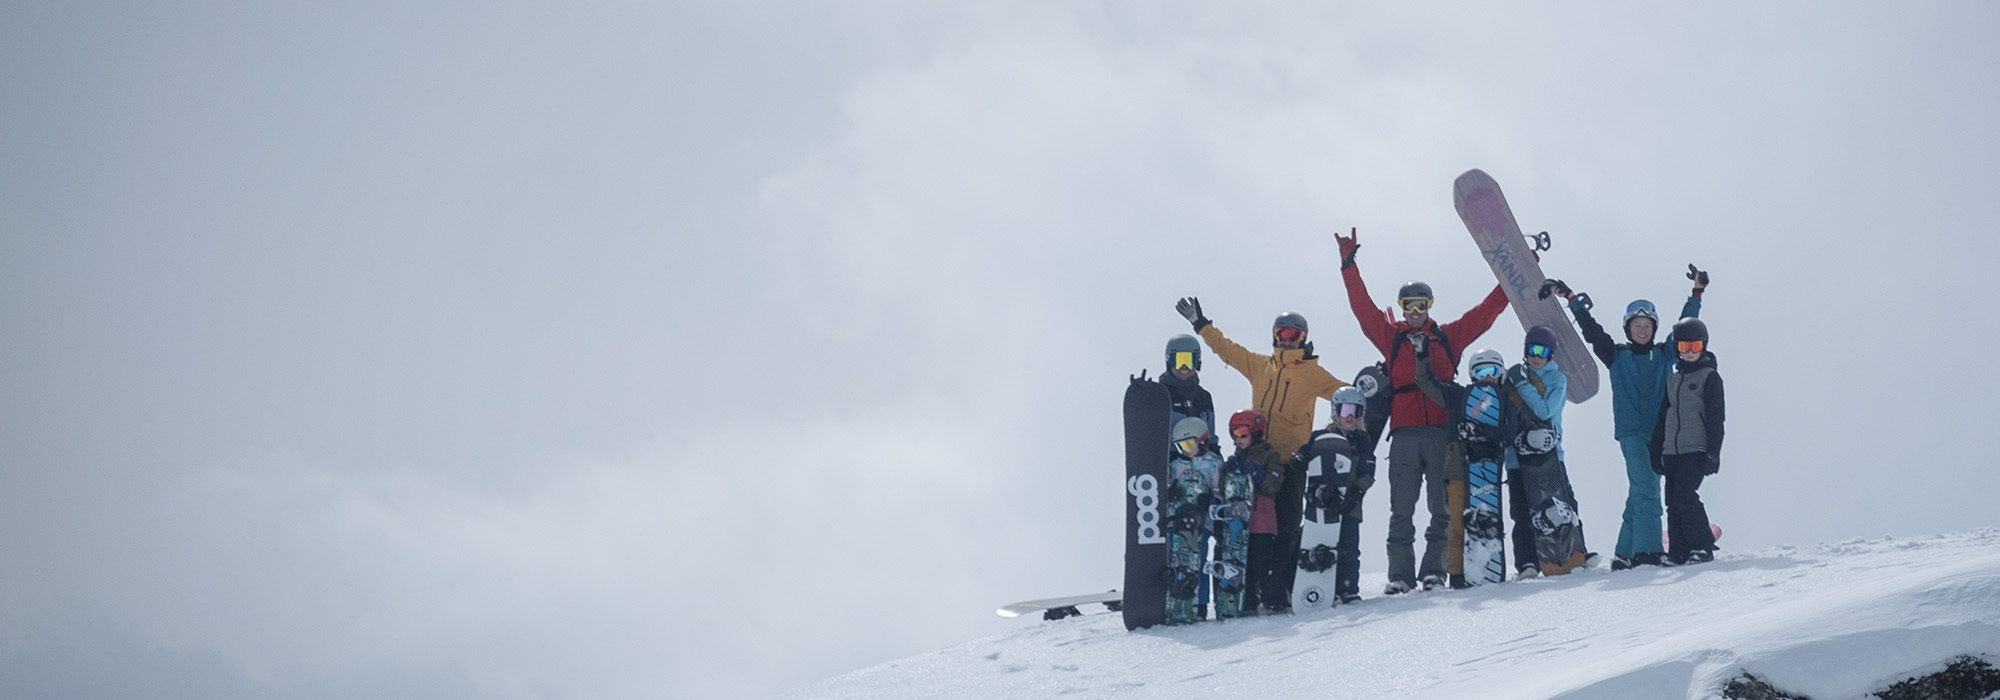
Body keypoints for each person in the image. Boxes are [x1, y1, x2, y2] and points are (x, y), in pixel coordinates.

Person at [1333, 228, 1511, 593]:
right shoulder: (1392, 337)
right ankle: (1400, 576)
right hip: (1404, 433)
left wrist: (1514, 275)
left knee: (1441, 508)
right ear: (1401, 308)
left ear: (1430, 306)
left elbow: (1484, 314)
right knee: (1401, 509)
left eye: (1421, 305)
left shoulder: (1447, 337)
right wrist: (1349, 265)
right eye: (1408, 305)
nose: (1415, 312)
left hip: (1442, 432)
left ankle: (1434, 572)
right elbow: (1363, 310)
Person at [1174, 298, 1353, 599]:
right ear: (1273, 334)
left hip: (1289, 464)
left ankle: (1279, 587)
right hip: (1254, 459)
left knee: (1285, 525)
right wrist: (1200, 324)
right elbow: (1228, 350)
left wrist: (1372, 388)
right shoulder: (1260, 366)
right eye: (1281, 333)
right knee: (1249, 529)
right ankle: (1249, 588)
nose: (1286, 340)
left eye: (1292, 335)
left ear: (1303, 338)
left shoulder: (1312, 374)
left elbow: (1343, 393)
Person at [1550, 265, 1709, 569]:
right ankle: (1647, 553)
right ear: (1628, 328)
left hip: (1660, 433)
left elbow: (1685, 328)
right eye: (1637, 324)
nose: (1642, 329)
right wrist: (1571, 299)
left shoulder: (1664, 354)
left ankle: (1624, 553)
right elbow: (1592, 331)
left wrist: (1697, 293)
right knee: (1647, 489)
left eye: (1647, 324)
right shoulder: (1617, 355)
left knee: (1639, 491)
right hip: (1632, 433)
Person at [1411, 344, 1515, 589]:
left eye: (1492, 371)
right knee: (1458, 524)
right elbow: (1427, 383)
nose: (1487, 377)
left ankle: (1488, 567)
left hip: (1488, 470)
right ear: (1472, 375)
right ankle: (1458, 575)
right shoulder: (1460, 396)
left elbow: (1510, 433)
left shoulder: (1505, 402)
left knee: (1488, 520)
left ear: (1501, 373)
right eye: (1481, 372)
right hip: (1459, 468)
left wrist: (1483, 431)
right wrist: (1422, 357)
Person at [1506, 326, 1589, 577]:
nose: (1536, 356)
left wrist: (1523, 385)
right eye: (1531, 350)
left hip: (1549, 457)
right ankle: (1527, 562)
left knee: (1564, 504)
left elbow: (1544, 411)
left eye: (1541, 351)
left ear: (1550, 354)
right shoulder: (1513, 377)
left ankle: (1577, 551)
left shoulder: (1556, 379)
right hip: (1517, 457)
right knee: (1521, 510)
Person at [1650, 317, 1725, 566]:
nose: (1690, 352)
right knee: (1672, 501)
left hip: (1696, 448)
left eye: (1695, 346)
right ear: (1677, 349)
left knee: (1685, 496)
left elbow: (1716, 418)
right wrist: (1656, 450)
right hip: (1672, 450)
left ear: (1704, 346)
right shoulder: (1673, 381)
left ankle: (1702, 546)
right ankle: (1678, 551)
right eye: (1684, 347)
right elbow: (1663, 418)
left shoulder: (1709, 377)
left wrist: (1713, 453)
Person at [1227, 410, 1290, 615]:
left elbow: (1274, 485)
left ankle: (1276, 600)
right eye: (1233, 433)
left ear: (1255, 433)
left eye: (1242, 433)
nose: (1237, 439)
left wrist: (1257, 472)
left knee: (1264, 559)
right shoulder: (1234, 459)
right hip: (1239, 519)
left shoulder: (1269, 455)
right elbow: (1224, 489)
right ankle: (1247, 602)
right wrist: (1225, 474)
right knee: (1242, 560)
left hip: (1261, 515)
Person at [1323, 387, 1378, 604]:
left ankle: (1347, 588)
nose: (1349, 416)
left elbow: (1368, 472)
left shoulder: (1362, 441)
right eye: (1345, 410)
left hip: (1351, 505)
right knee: (1325, 545)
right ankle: (1324, 587)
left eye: (1355, 411)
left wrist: (1356, 493)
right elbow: (1311, 458)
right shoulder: (1324, 438)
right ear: (1335, 411)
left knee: (1348, 547)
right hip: (1325, 504)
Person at [1166, 416, 1222, 623]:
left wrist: (1212, 500)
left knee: (1198, 561)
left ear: (1202, 441)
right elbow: (1166, 488)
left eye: (1188, 445)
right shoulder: (1175, 466)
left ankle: (1200, 604)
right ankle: (1176, 601)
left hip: (1202, 522)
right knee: (1177, 559)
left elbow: (1220, 491)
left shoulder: (1213, 464)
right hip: (1177, 521)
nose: (1185, 451)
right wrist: (1170, 495)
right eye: (1180, 447)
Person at [1162, 334, 1219, 451]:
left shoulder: (1204, 397)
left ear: (1197, 363)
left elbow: (1211, 436)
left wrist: (1215, 455)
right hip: (1169, 458)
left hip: (1199, 459)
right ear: (1169, 362)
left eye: (1189, 361)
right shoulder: (1161, 394)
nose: (1184, 367)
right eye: (1178, 361)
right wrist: (1142, 393)